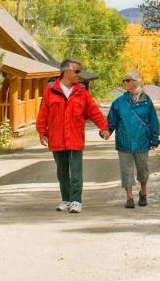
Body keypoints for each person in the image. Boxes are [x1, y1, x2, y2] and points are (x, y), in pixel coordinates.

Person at [36, 58, 109, 214]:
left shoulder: (82, 91)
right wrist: (41, 132)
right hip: (57, 138)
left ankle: (76, 201)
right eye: (76, 71)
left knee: (76, 172)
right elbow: (43, 113)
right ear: (66, 72)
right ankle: (66, 199)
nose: (79, 75)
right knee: (62, 173)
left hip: (75, 138)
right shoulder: (50, 90)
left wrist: (103, 127)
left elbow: (93, 111)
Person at [106, 71, 160, 208]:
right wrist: (106, 132)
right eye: (123, 81)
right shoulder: (118, 102)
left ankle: (143, 192)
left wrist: (154, 139)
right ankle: (129, 198)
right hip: (124, 142)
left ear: (136, 82)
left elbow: (153, 121)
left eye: (128, 80)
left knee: (143, 169)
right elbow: (111, 121)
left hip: (142, 141)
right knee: (126, 170)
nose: (125, 83)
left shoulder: (147, 101)